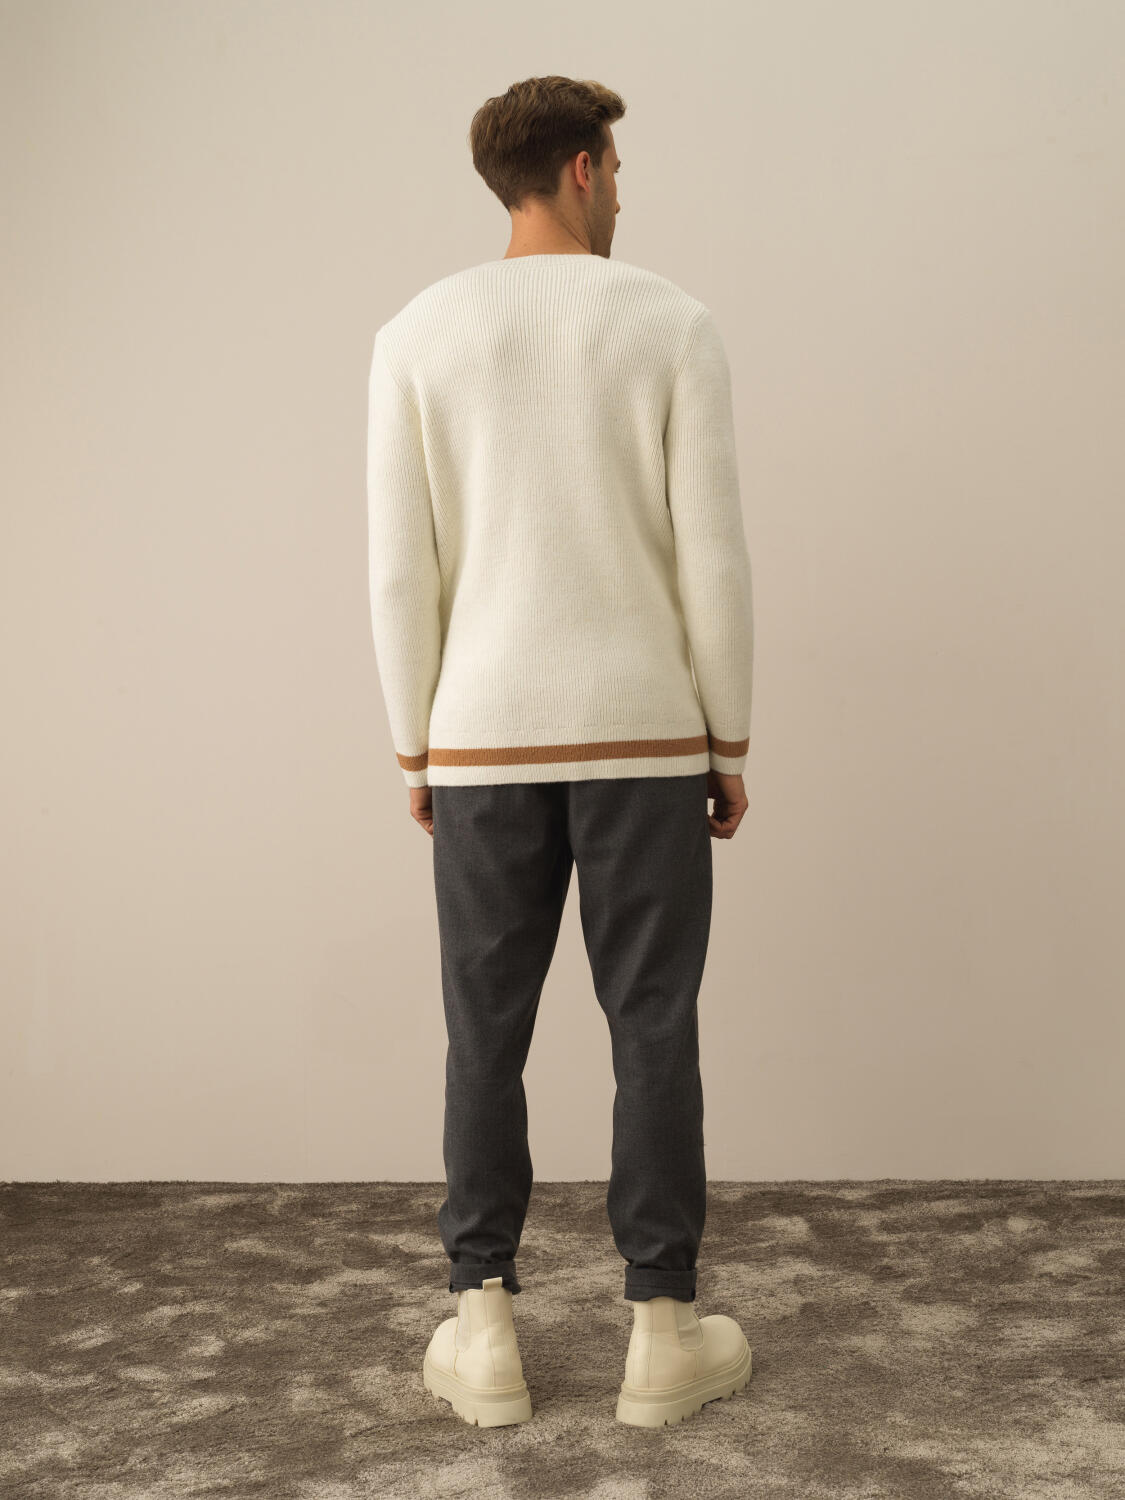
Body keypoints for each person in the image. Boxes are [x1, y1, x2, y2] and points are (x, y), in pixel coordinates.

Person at [366, 75, 754, 1429]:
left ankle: (484, 1331)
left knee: (484, 1032)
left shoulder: (416, 334)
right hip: (645, 735)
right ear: (583, 168)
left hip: (480, 742)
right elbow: (712, 555)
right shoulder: (669, 323)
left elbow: (398, 571)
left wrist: (415, 750)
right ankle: (662, 1334)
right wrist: (726, 736)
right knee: (652, 1026)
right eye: (618, 169)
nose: (623, 192)